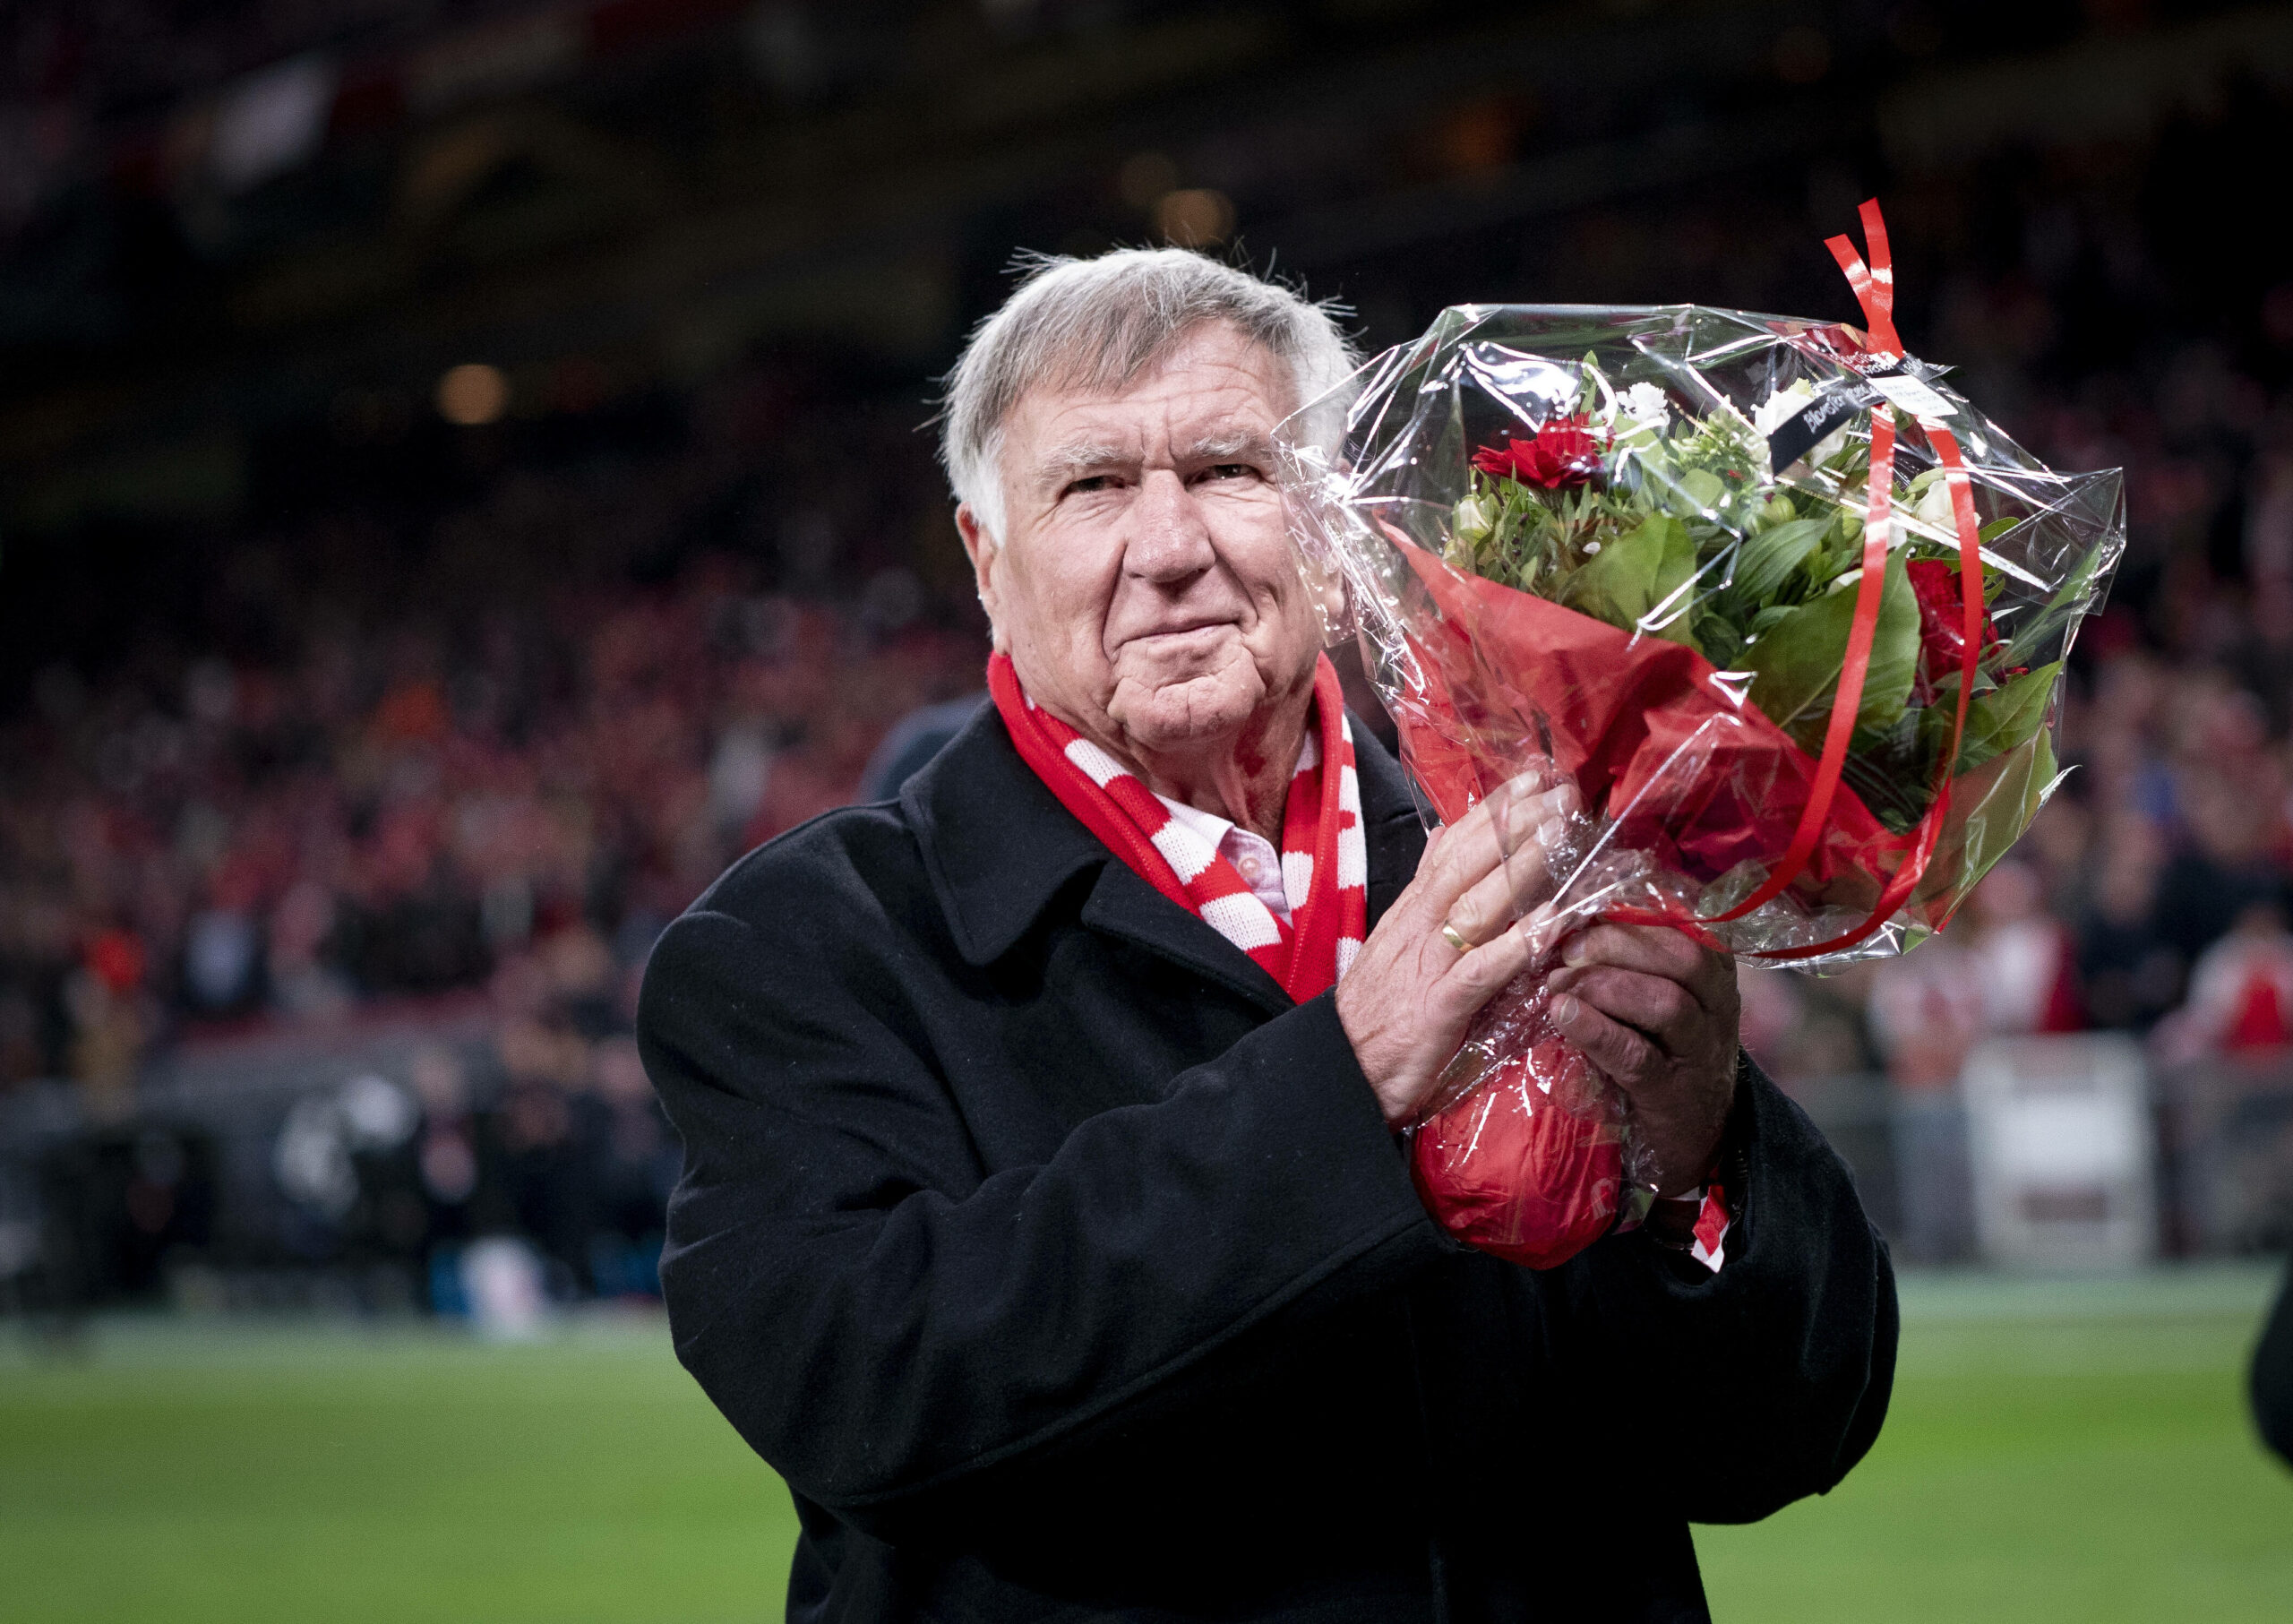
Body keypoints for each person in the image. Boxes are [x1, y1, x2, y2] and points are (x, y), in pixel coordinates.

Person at [638, 249, 1897, 1622]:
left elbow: (1786, 1433)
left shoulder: (1538, 854)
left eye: (1229, 469)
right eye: (1092, 486)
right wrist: (1345, 1080)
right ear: (987, 563)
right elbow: (860, 1386)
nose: (1170, 547)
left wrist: (1701, 1154)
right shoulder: (804, 946)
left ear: (1334, 531)